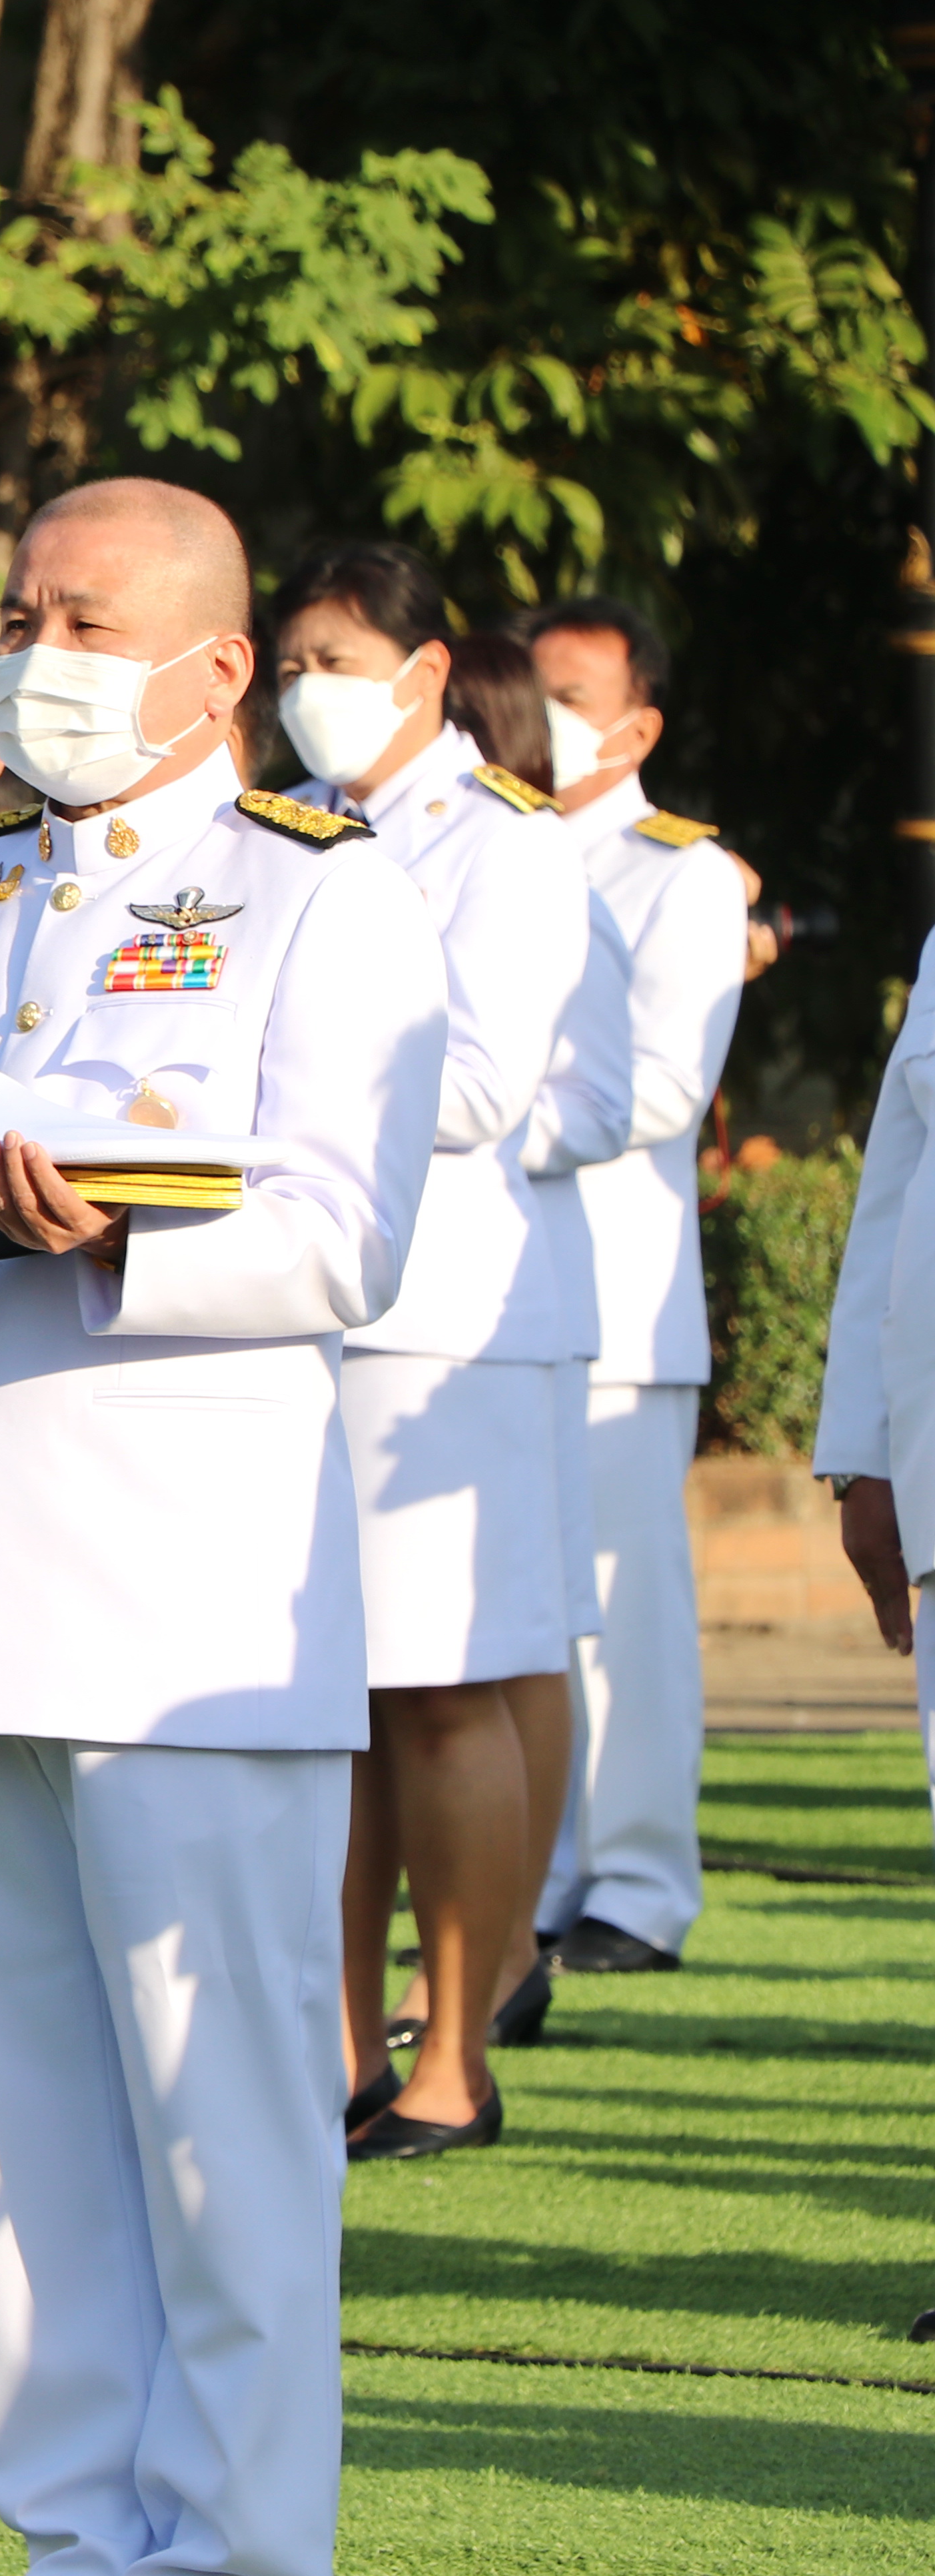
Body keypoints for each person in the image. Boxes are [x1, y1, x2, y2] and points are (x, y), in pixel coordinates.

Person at [0, 476, 445, 2576]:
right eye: (23, 608)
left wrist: (126, 1231)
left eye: (81, 619)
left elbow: (344, 1230)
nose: (34, 649)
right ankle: (75, 2571)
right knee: (13, 2130)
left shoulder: (318, 896)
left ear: (218, 665)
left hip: (180, 1607)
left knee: (219, 2128)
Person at [266, 539, 584, 2160]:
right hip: (298, 1307)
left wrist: (268, 1078)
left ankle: (456, 2047)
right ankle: (332, 2043)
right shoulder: (281, 833)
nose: (306, 689)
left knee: (448, 1692)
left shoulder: (501, 845)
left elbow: (478, 1086)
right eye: (291, 658)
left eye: (337, 657)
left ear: (426, 671)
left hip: (440, 1319)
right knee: (336, 1698)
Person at [523, 596, 748, 1978]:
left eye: (568, 690)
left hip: (615, 1289)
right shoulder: (476, 851)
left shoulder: (681, 873)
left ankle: (641, 1882)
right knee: (528, 1615)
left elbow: (664, 1088)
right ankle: (540, 1876)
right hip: (491, 1298)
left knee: (626, 1609)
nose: (537, 709)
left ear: (637, 723)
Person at [435, 626, 630, 2047]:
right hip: (391, 1309)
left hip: (513, 1296)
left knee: (510, 1640)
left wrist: (430, 1137)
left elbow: (603, 1100)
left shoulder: (535, 864)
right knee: (425, 1661)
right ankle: (458, 1946)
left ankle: (508, 1944)